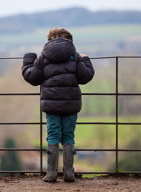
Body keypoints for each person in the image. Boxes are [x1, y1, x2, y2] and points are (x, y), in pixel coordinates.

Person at [21, 27, 94, 183]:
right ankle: (69, 173)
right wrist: (85, 59)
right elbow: (85, 77)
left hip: (51, 105)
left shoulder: (43, 57)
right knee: (68, 136)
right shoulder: (75, 57)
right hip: (70, 104)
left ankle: (52, 173)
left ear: (49, 40)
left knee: (53, 135)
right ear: (70, 41)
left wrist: (28, 61)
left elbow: (33, 78)